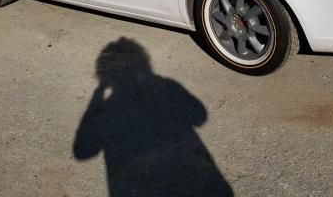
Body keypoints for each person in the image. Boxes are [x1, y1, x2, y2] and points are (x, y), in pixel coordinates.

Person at [73, 37, 233, 196]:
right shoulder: (167, 85)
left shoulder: (108, 107)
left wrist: (99, 91)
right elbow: (200, 116)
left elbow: (83, 152)